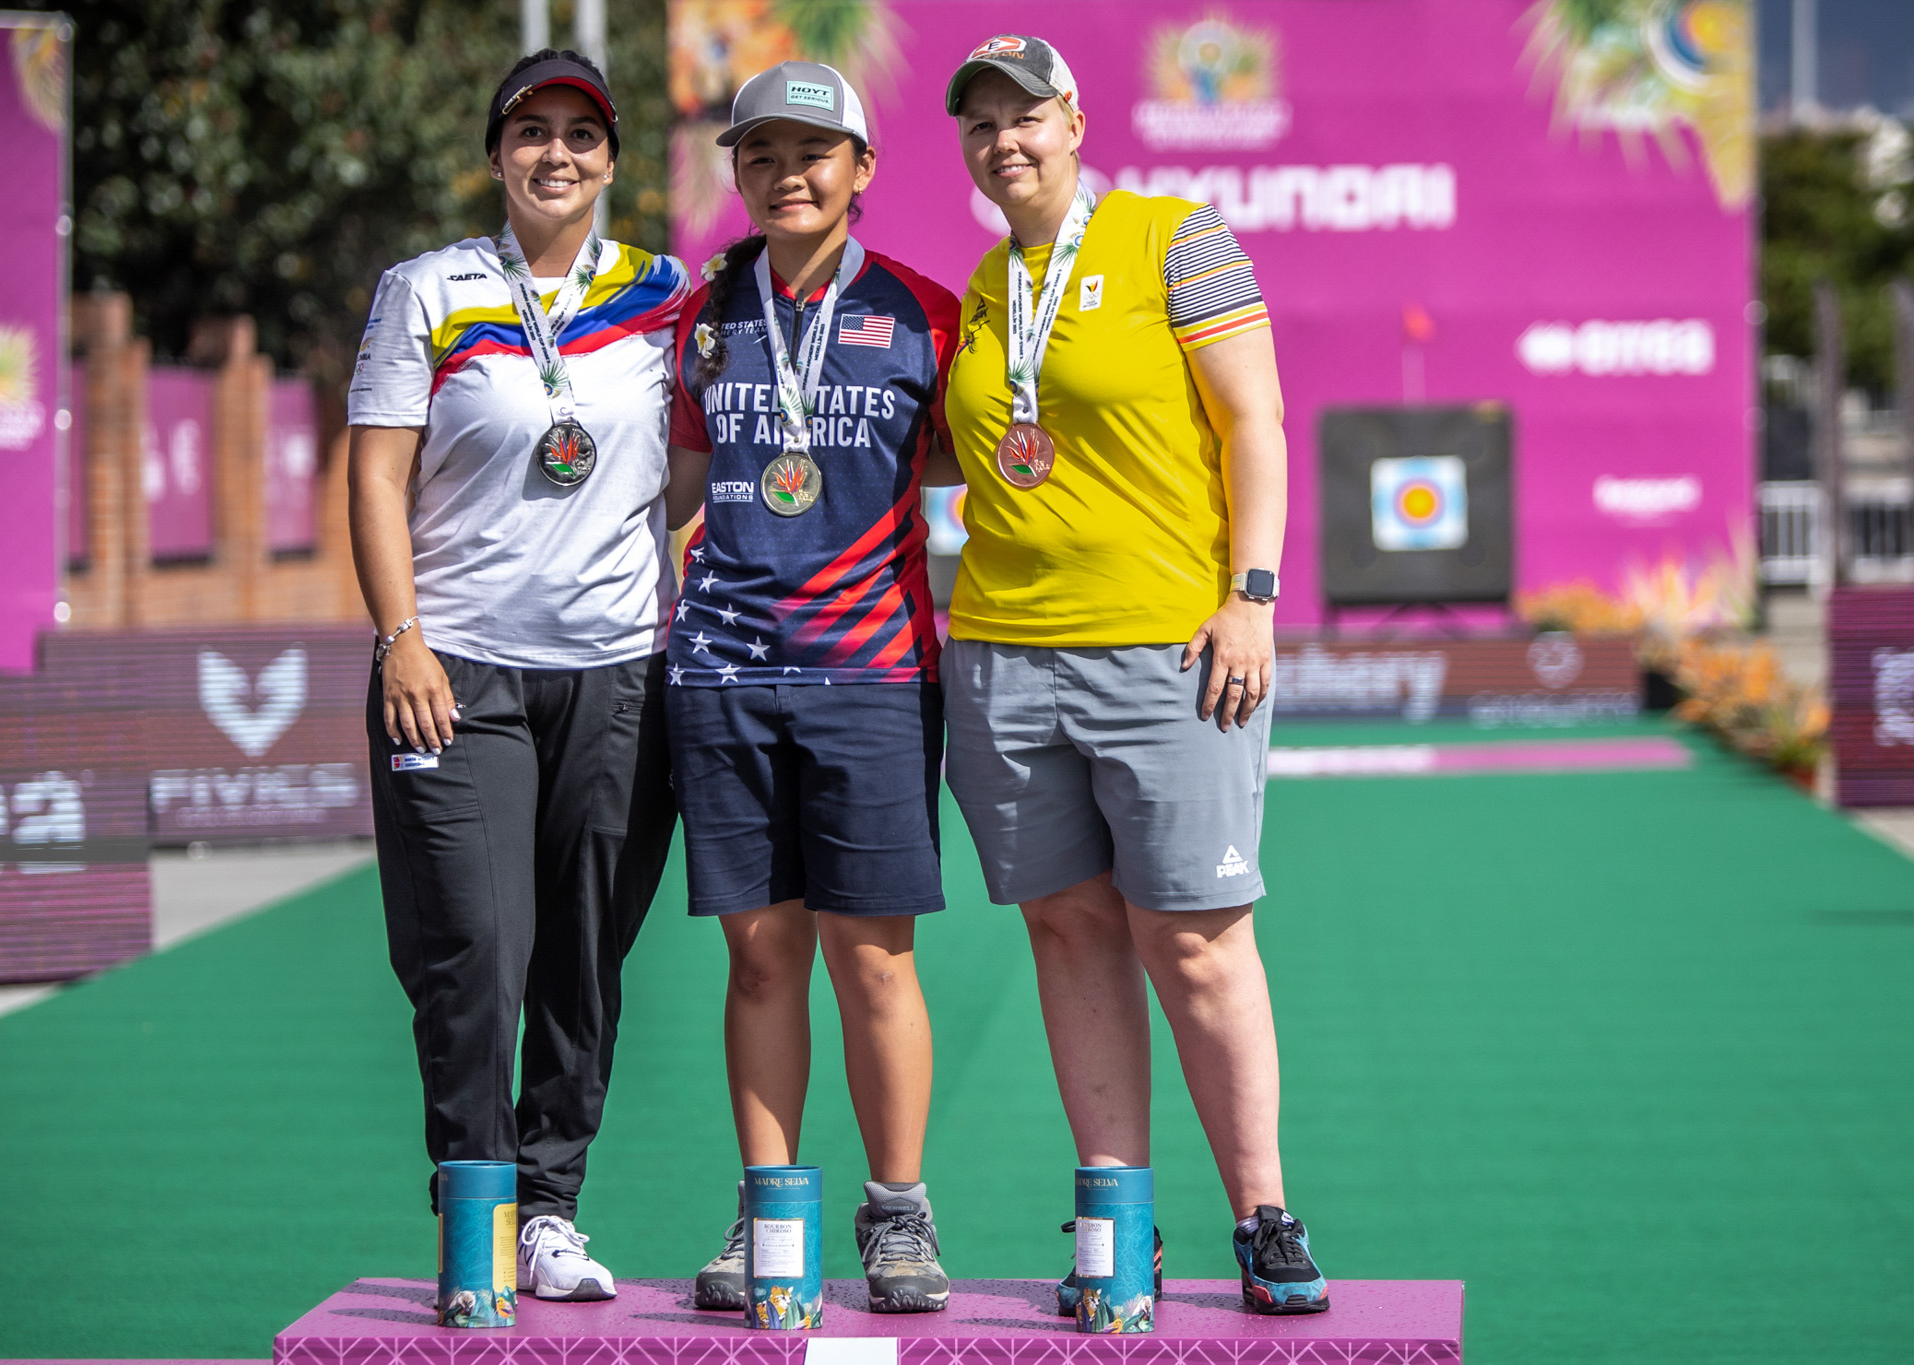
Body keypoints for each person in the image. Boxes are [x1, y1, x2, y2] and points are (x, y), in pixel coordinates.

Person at [938, 35, 1330, 1315]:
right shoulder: (985, 288)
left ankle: (1262, 1215)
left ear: (1074, 117)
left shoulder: (1177, 237)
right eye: (981, 123)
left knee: (1202, 944)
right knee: (1067, 931)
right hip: (1000, 650)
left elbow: (1252, 422)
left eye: (1026, 115)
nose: (1006, 140)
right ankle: (1117, 1218)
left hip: (1168, 650)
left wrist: (1252, 595)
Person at [345, 49, 688, 1304]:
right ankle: (475, 1210)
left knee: (585, 958)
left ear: (610, 160)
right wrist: (401, 637)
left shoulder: (662, 294)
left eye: (580, 137)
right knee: (476, 952)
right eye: (530, 133)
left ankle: (548, 1210)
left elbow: (687, 465)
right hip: (456, 673)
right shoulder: (427, 292)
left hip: (619, 674)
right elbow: (378, 475)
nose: (556, 156)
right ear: (495, 155)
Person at [662, 60, 960, 1315]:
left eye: (813, 151)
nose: (788, 175)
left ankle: (897, 1214)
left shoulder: (927, 314)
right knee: (759, 959)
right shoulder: (700, 313)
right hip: (722, 670)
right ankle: (765, 1208)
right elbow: (672, 488)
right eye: (762, 154)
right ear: (734, 172)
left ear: (862, 169)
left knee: (874, 961)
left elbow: (968, 464)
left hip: (872, 671)